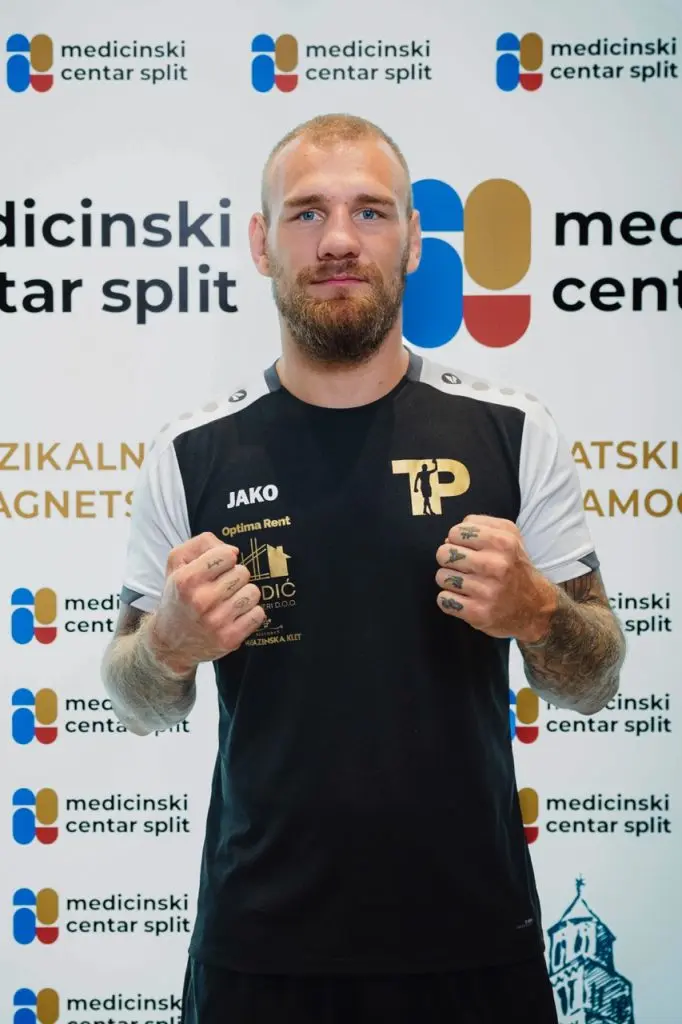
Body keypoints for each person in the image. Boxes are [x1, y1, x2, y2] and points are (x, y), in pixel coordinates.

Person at [101, 113, 626, 1024]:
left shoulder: (510, 431)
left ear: (414, 240)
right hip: (258, 952)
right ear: (261, 243)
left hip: (474, 941)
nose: (338, 240)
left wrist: (540, 612)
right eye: (306, 213)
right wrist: (169, 647)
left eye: (370, 212)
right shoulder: (191, 453)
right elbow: (133, 698)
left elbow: (597, 680)